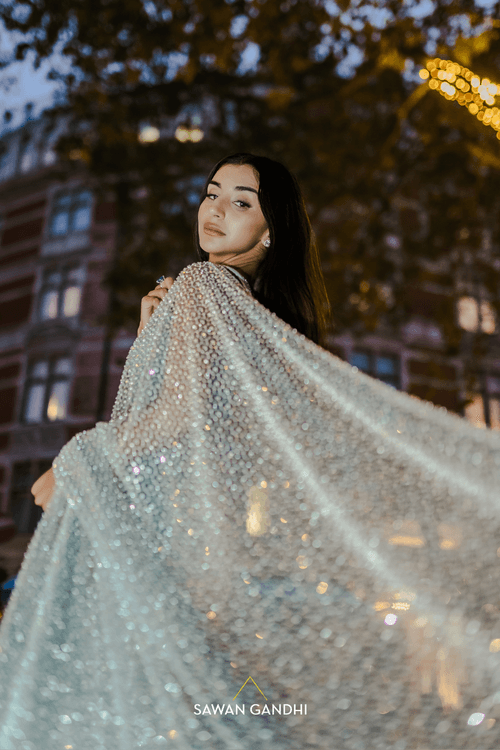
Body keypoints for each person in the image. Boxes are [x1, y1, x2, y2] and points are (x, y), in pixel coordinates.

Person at [2, 154, 500, 750]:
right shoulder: (238, 307)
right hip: (197, 545)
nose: (215, 209)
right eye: (212, 193)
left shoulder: (203, 284)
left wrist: (76, 460)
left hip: (154, 534)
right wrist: (147, 337)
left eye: (241, 202)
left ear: (270, 231)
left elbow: (177, 420)